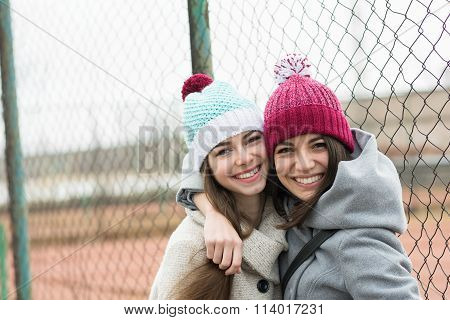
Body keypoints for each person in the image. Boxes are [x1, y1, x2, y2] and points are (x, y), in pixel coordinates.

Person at [176, 54, 420, 299]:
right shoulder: (287, 201)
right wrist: (213, 213)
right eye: (286, 150)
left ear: (338, 146)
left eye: (317, 145)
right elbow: (200, 159)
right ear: (273, 158)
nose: (303, 165)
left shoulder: (360, 239)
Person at [149, 74, 287, 300]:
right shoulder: (189, 246)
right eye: (223, 151)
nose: (243, 158)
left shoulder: (290, 211)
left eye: (252, 139)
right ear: (206, 167)